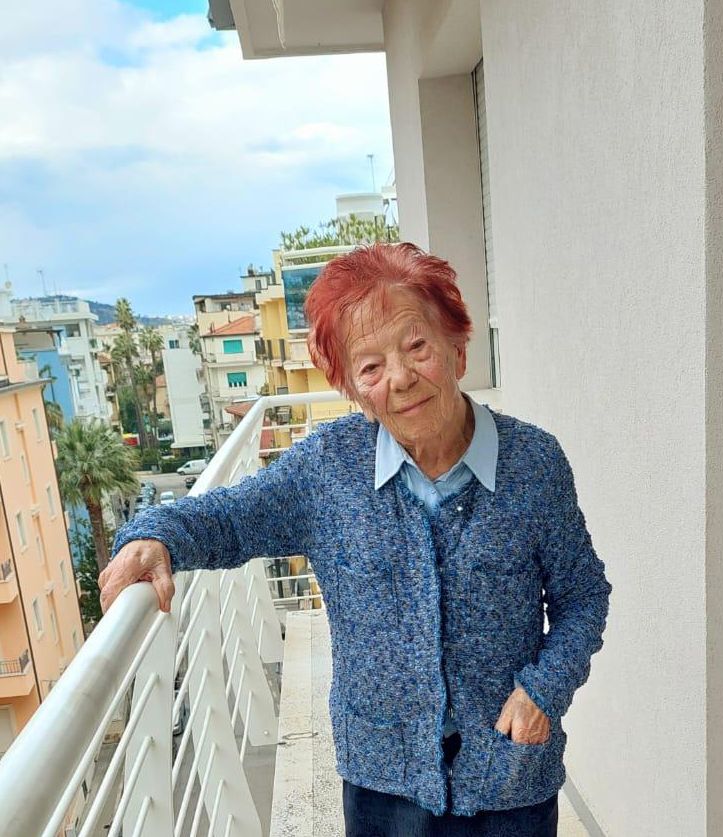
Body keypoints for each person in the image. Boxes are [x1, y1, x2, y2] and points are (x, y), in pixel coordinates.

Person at [100, 242, 612, 836]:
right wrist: (156, 534)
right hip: (383, 785)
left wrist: (542, 692)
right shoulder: (329, 469)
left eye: (417, 347)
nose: (400, 378)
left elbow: (583, 597)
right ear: (353, 391)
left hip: (509, 776)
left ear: (458, 349)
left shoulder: (534, 464)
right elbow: (231, 518)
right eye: (370, 367)